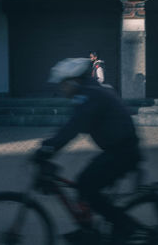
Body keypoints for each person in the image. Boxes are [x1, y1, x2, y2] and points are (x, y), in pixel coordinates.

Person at [33, 58, 147, 245]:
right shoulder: (89, 92)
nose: (62, 89)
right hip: (119, 149)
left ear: (72, 82)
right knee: (85, 185)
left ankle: (127, 228)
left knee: (87, 186)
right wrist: (50, 145)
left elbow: (73, 128)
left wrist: (47, 149)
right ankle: (89, 229)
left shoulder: (90, 96)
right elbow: (72, 125)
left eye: (63, 85)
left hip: (123, 152)